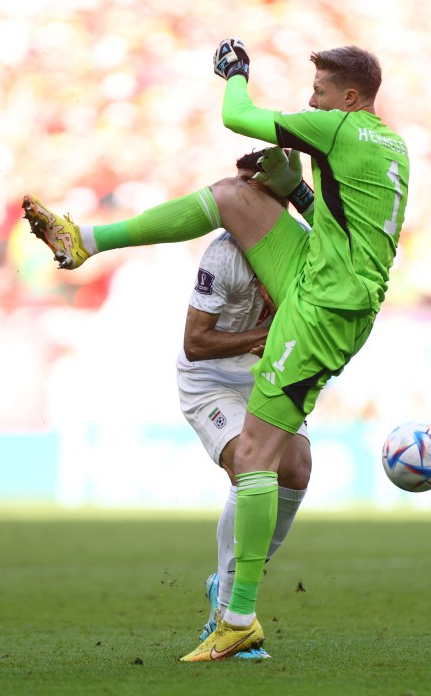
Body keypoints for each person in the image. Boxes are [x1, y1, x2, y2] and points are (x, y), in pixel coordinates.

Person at [22, 39, 410, 660]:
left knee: (257, 458)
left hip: (325, 309)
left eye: (320, 89)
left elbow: (237, 116)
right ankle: (84, 239)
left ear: (350, 97)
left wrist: (236, 74)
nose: (311, 98)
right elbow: (348, 224)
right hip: (325, 277)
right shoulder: (388, 145)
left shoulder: (339, 129)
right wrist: (298, 193)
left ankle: (239, 615)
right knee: (233, 195)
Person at [179, 150, 311, 660]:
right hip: (209, 381)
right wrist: (264, 334)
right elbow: (196, 342)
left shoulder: (300, 249)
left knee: (297, 467)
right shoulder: (223, 255)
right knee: (251, 468)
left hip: (261, 379)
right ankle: (231, 611)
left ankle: (229, 584)